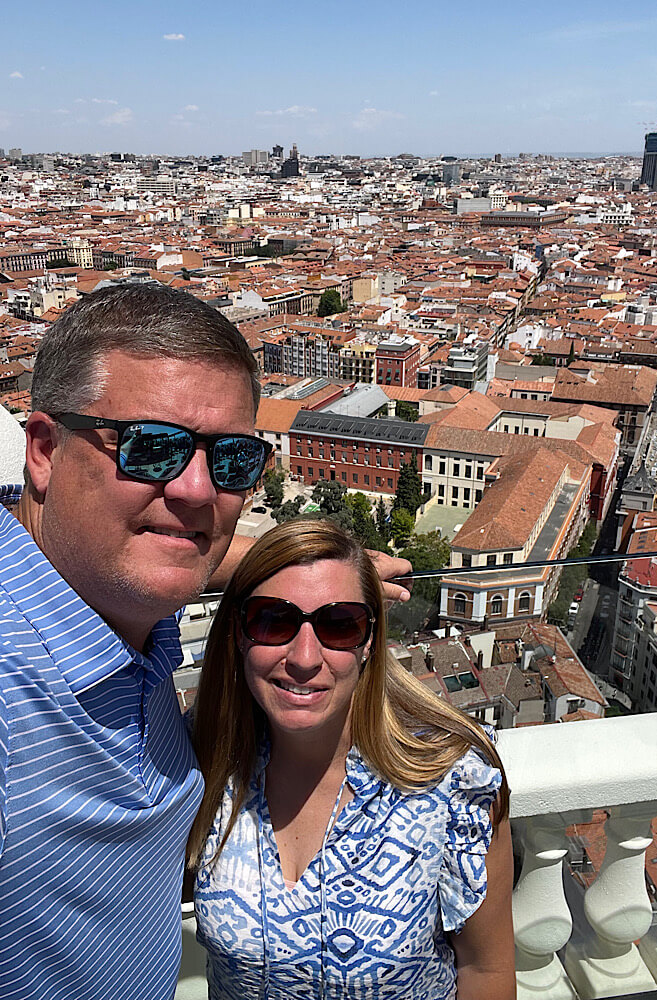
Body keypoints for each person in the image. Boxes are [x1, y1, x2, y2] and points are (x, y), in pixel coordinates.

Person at [0, 282, 412, 1000]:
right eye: (151, 449)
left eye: (229, 461)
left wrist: (303, 573)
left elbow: (179, 534)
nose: (197, 490)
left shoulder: (111, 601)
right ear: (43, 449)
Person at [189, 518, 516, 1000]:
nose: (304, 657)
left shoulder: (452, 782)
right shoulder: (206, 765)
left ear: (368, 641)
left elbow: (486, 971)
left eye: (339, 624)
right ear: (238, 633)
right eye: (271, 620)